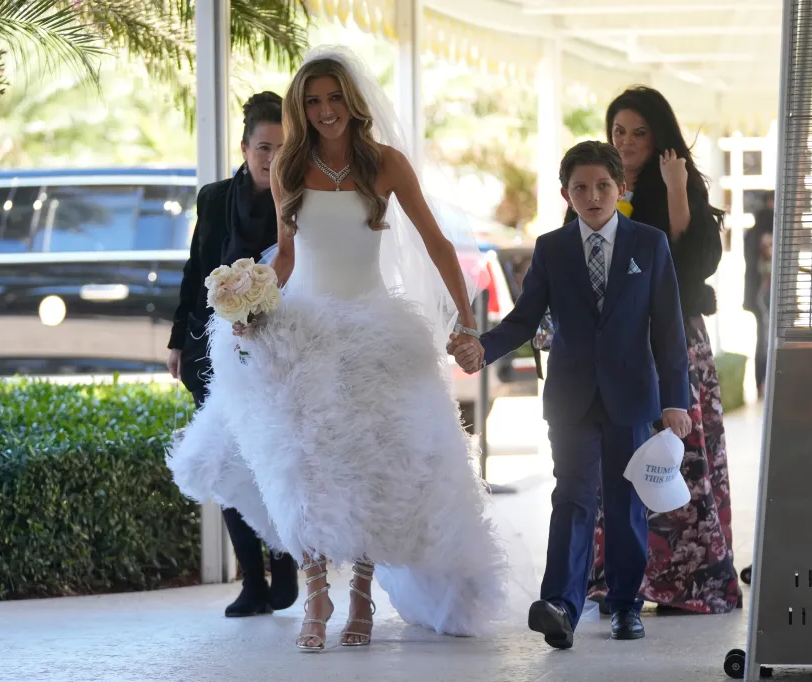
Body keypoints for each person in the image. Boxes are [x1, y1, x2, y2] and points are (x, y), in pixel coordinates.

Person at [166, 45, 506, 652]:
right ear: (303, 108)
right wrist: (254, 307)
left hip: (377, 329)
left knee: (376, 465)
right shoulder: (290, 169)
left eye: (333, 98)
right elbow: (289, 257)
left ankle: (363, 595)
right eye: (313, 101)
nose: (325, 111)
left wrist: (466, 320)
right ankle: (317, 589)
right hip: (307, 331)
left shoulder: (388, 165)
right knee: (308, 464)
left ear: (352, 102)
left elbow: (436, 243)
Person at [452, 141, 691, 647]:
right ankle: (561, 604)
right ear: (566, 193)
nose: (593, 196)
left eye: (603, 185)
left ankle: (626, 605)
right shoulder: (552, 248)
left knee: (626, 504)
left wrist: (676, 400)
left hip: (632, 396)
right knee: (573, 498)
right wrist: (483, 348)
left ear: (620, 188)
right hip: (571, 397)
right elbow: (522, 318)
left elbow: (668, 330)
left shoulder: (649, 245)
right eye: (580, 188)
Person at [585, 86, 740, 615]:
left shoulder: (678, 182)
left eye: (638, 133)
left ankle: (688, 586)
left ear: (659, 138)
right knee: (618, 460)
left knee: (680, 459)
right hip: (616, 344)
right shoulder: (597, 182)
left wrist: (676, 189)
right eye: (618, 132)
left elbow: (692, 263)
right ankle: (617, 582)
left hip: (673, 339)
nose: (626, 142)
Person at [166, 92, 299, 618]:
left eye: (283, 148)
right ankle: (251, 581)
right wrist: (179, 337)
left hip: (274, 348)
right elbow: (196, 266)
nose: (272, 158)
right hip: (211, 346)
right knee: (224, 458)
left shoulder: (300, 200)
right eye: (263, 147)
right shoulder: (215, 198)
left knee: (271, 454)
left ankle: (285, 560)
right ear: (245, 147)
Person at [745, 191, 775, 397]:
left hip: (758, 294)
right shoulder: (767, 230)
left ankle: (762, 383)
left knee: (763, 338)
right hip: (764, 293)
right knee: (765, 338)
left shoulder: (752, 232)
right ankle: (763, 382)